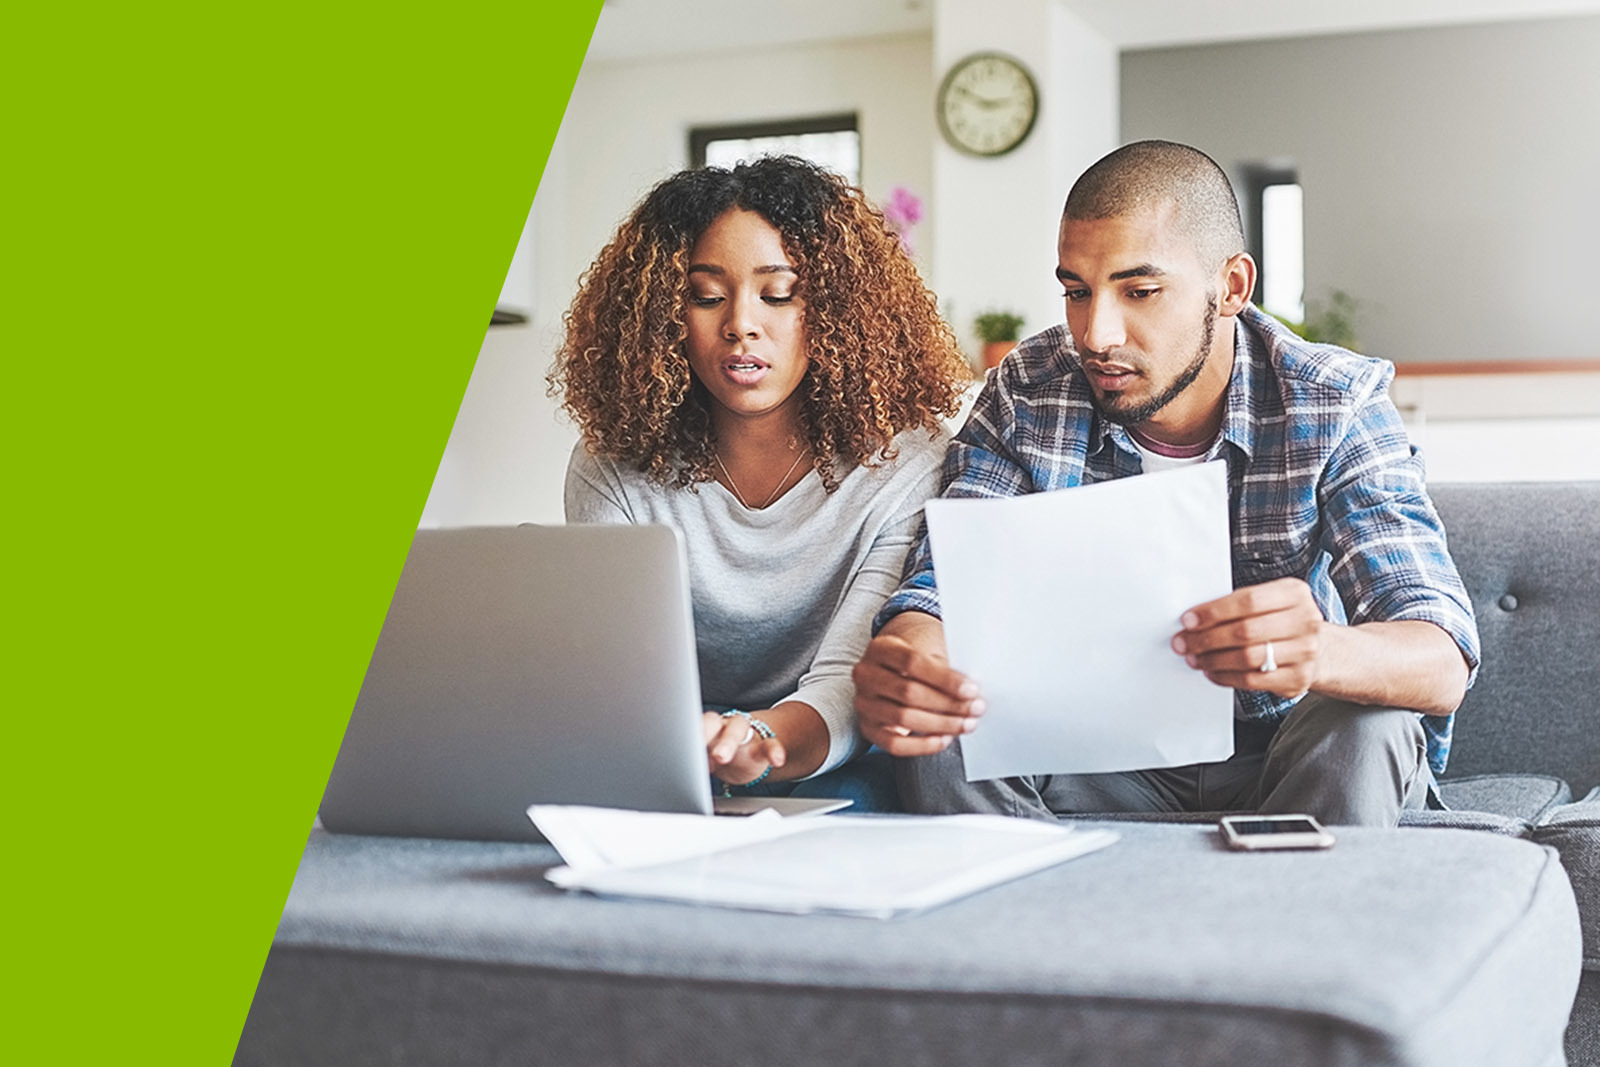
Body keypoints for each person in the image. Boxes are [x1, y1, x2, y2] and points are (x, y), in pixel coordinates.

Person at [853, 140, 1480, 828]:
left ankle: (1296, 901)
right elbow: (943, 589)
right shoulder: (1028, 391)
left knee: (1370, 722)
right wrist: (915, 659)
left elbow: (1440, 656)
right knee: (944, 729)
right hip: (1099, 753)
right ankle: (1030, 900)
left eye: (1140, 291)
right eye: (1077, 292)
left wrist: (1320, 650)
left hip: (1286, 752)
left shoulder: (1332, 402)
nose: (1097, 334)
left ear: (1231, 287)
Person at [551, 154, 971, 810]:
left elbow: (851, 682)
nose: (741, 323)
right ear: (663, 314)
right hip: (671, 749)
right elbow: (618, 676)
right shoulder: (614, 465)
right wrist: (698, 746)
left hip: (831, 749)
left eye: (778, 294)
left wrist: (757, 742)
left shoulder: (906, 462)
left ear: (834, 310)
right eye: (706, 296)